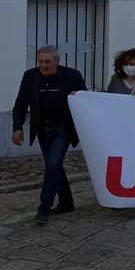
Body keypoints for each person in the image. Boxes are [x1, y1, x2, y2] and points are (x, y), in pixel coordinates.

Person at [12, 45, 87, 224]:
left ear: (57, 61)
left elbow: (85, 98)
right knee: (54, 165)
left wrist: (77, 96)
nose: (43, 65)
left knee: (53, 163)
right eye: (40, 61)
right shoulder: (30, 76)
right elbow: (20, 103)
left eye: (48, 61)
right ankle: (66, 203)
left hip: (63, 128)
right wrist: (17, 127)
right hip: (42, 128)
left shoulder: (72, 75)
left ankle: (44, 208)